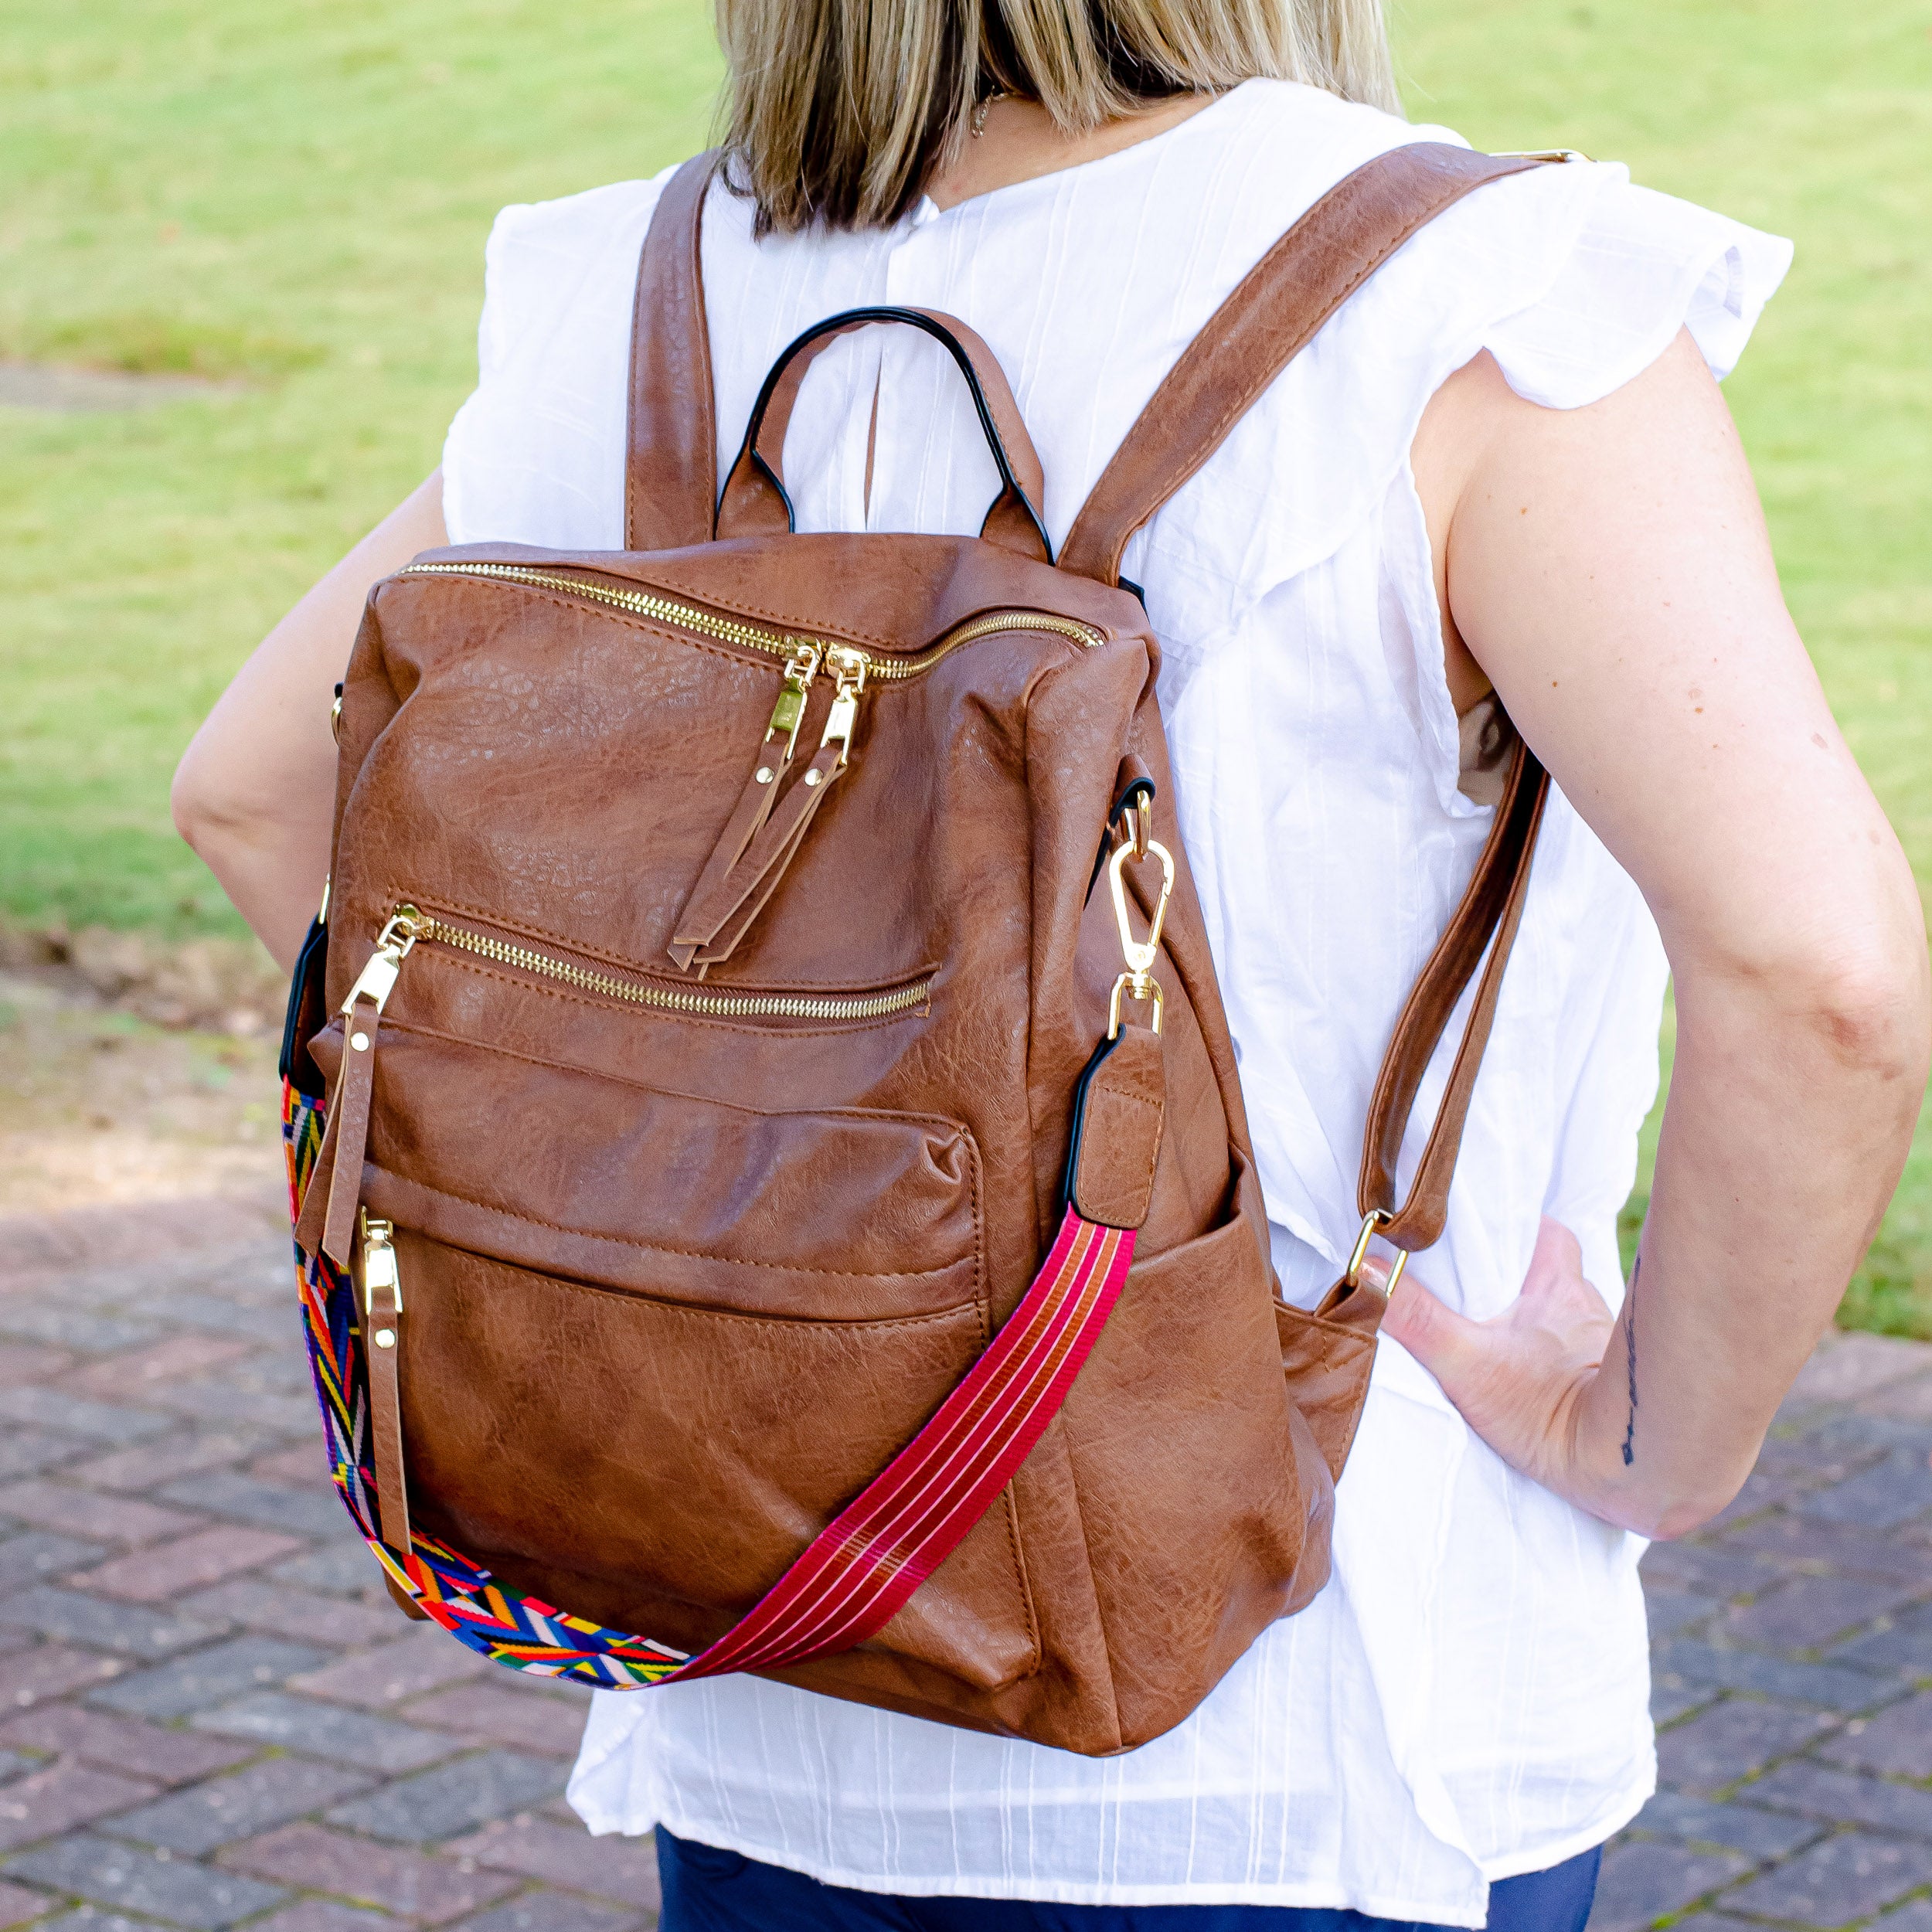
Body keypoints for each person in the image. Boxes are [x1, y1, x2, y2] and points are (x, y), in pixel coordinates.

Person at [172, 1, 1931, 1925]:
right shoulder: (1481, 305)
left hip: (754, 1645)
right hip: (1305, 1739)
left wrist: (615, 1165)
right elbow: (1818, 974)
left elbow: (255, 796)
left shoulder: (631, 299)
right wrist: (1650, 1444)